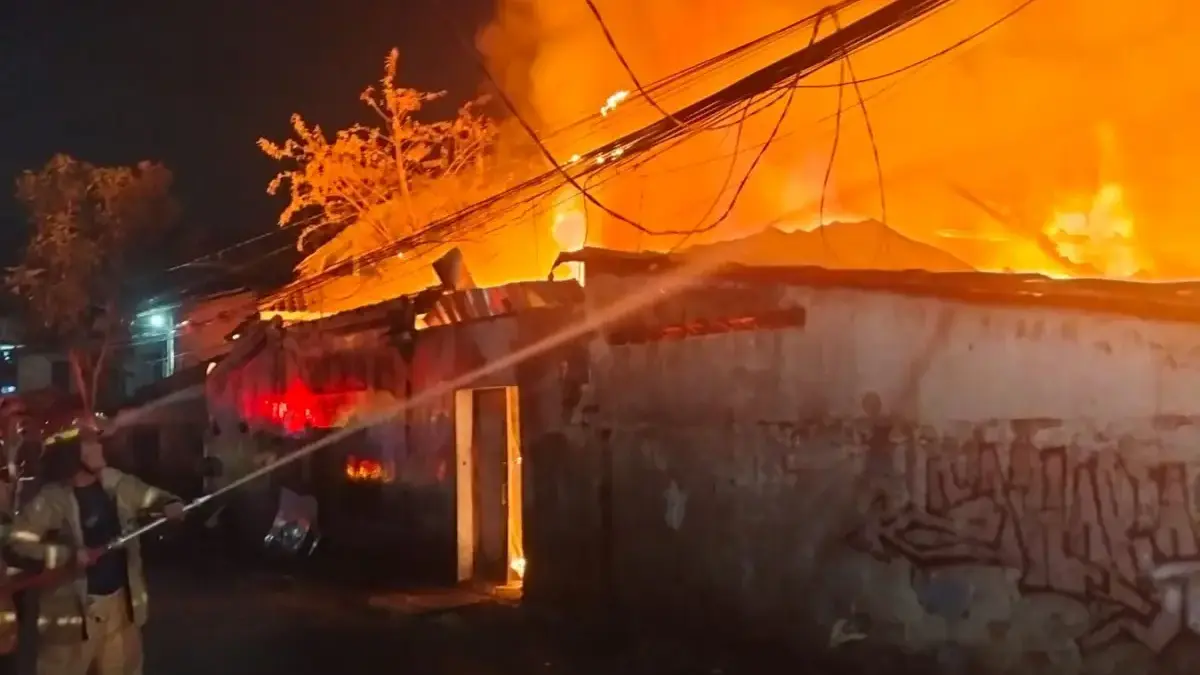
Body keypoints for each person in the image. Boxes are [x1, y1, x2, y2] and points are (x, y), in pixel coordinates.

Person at [7, 422, 185, 675]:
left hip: (121, 611)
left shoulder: (117, 483)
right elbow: (17, 545)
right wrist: (68, 555)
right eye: (90, 444)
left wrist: (170, 503)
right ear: (72, 455)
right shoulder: (50, 500)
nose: (99, 447)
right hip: (73, 620)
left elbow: (151, 497)